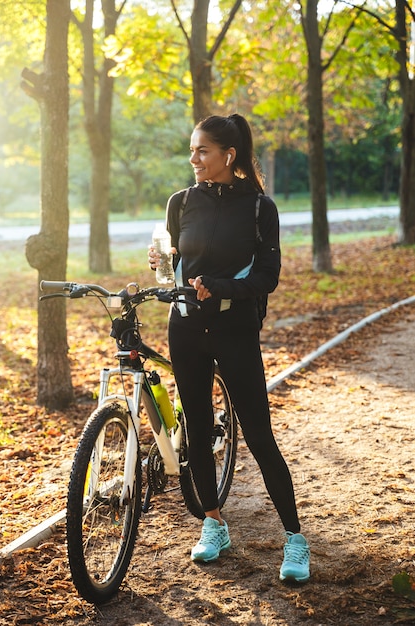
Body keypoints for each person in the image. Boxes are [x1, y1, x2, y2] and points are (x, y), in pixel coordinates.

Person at [148, 113, 310, 583]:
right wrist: (161, 262)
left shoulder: (260, 208)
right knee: (197, 430)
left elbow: (267, 278)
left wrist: (218, 288)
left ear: (228, 155)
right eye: (192, 150)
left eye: (202, 150)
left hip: (235, 329)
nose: (193, 158)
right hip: (185, 327)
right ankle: (213, 524)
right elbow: (176, 261)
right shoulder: (181, 202)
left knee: (258, 435)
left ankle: (295, 540)